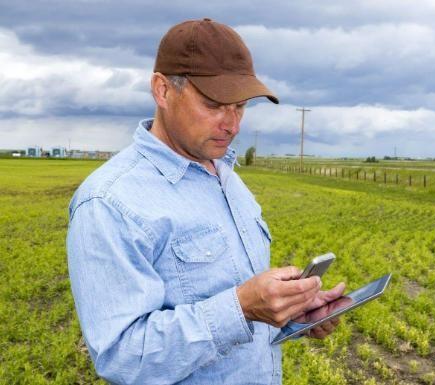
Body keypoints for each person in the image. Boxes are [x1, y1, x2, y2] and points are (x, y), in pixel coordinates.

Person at [66, 18, 345, 385]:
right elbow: (123, 357)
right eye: (215, 104)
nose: (233, 124)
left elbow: (235, 294)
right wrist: (241, 308)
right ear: (162, 91)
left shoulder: (226, 175)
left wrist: (292, 313)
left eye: (241, 106)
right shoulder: (109, 203)